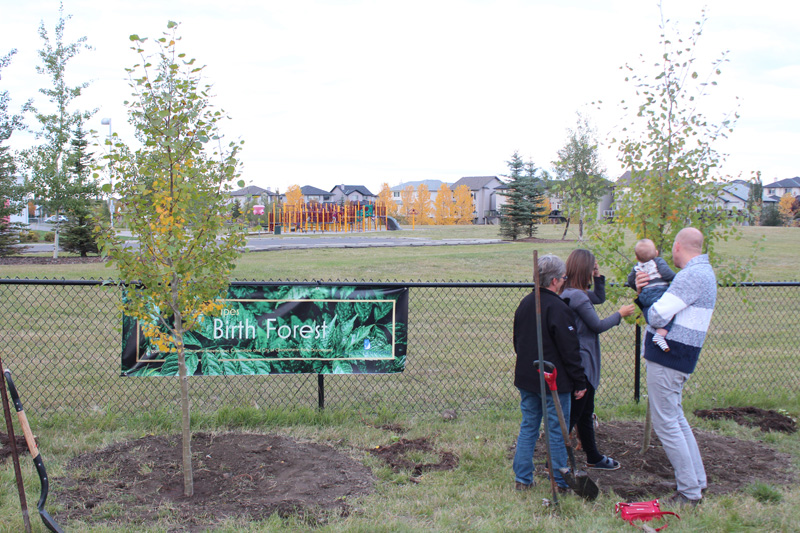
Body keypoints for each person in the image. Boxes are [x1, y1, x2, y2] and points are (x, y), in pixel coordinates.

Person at [634, 228, 717, 508]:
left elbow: (657, 313)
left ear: (678, 246)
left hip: (668, 356)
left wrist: (643, 294)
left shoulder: (691, 275)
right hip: (681, 354)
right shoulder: (704, 273)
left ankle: (689, 492)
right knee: (676, 419)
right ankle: (697, 482)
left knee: (666, 423)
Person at [513, 254, 587, 492]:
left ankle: (523, 479)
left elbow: (518, 343)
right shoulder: (558, 308)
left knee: (529, 426)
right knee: (556, 430)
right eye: (564, 278)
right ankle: (559, 480)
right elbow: (570, 350)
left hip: (527, 377)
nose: (564, 282)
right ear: (555, 280)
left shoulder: (525, 303)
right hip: (553, 382)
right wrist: (580, 381)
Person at [562, 249, 636, 470]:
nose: (594, 270)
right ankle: (553, 461)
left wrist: (597, 276)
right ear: (584, 269)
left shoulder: (569, 292)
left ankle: (593, 456)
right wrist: (620, 314)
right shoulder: (578, 297)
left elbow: (598, 297)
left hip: (577, 358)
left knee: (584, 412)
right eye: (592, 268)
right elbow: (598, 325)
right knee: (575, 415)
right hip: (583, 361)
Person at [627, 238, 677, 352]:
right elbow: (666, 273)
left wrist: (638, 288)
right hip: (660, 293)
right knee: (671, 312)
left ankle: (656, 331)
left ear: (637, 257)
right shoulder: (658, 261)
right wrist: (677, 278)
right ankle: (660, 335)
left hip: (645, 296)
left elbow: (630, 280)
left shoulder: (637, 267)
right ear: (656, 253)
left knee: (652, 313)